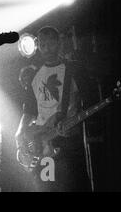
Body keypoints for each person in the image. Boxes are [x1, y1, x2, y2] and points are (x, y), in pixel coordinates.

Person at [15, 26, 93, 192]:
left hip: (69, 140)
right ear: (38, 47)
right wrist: (19, 133)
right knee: (48, 187)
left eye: (51, 43)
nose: (47, 48)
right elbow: (29, 111)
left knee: (73, 185)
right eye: (43, 45)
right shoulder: (35, 76)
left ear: (59, 42)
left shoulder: (74, 70)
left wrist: (77, 125)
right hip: (44, 144)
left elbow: (90, 102)